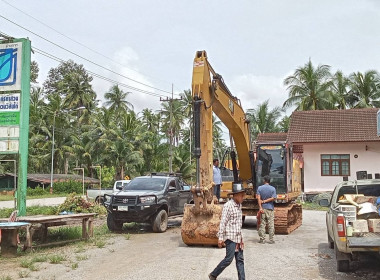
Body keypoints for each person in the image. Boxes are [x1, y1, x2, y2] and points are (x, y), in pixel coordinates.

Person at [209, 184, 246, 280]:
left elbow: (238, 223)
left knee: (240, 260)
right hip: (230, 237)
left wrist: (241, 237)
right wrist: (220, 238)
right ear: (236, 195)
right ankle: (213, 274)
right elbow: (223, 222)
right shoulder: (228, 206)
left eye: (243, 195)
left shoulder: (239, 205)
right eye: (242, 195)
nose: (243, 197)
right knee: (229, 259)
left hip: (238, 237)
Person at [257, 175, 276, 244]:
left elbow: (258, 199)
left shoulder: (260, 188)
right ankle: (271, 239)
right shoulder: (273, 189)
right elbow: (273, 198)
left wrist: (260, 207)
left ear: (264, 180)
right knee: (271, 224)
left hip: (263, 209)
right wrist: (267, 201)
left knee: (262, 224)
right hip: (270, 208)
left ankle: (262, 239)